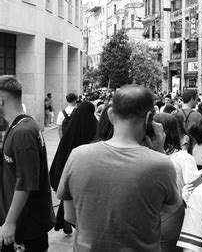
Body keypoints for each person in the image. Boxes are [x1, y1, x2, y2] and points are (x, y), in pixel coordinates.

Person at [56, 85, 180, 251]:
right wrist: (160, 151)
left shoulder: (77, 156)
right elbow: (170, 208)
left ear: (110, 114)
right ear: (149, 117)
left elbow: (70, 215)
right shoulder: (160, 164)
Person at [0, 75, 55, 251]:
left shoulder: (23, 132)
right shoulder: (20, 125)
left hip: (25, 228)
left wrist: (9, 223)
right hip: (22, 224)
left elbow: (25, 183)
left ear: (1, 100)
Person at [153, 113, 202, 252]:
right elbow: (197, 188)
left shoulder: (145, 157)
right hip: (175, 217)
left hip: (149, 217)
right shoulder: (183, 158)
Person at [49, 101, 97, 234]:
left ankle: (66, 221)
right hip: (88, 170)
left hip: (70, 169)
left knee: (68, 195)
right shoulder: (95, 125)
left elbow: (62, 152)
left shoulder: (71, 128)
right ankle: (72, 223)